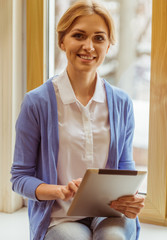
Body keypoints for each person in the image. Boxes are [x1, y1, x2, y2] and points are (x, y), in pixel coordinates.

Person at [10, 0, 145, 239]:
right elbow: (20, 178)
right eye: (79, 35)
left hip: (109, 213)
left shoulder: (122, 103)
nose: (89, 46)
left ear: (109, 45)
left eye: (99, 38)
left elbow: (125, 168)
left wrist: (131, 199)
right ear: (62, 41)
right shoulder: (37, 103)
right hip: (59, 216)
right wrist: (59, 191)